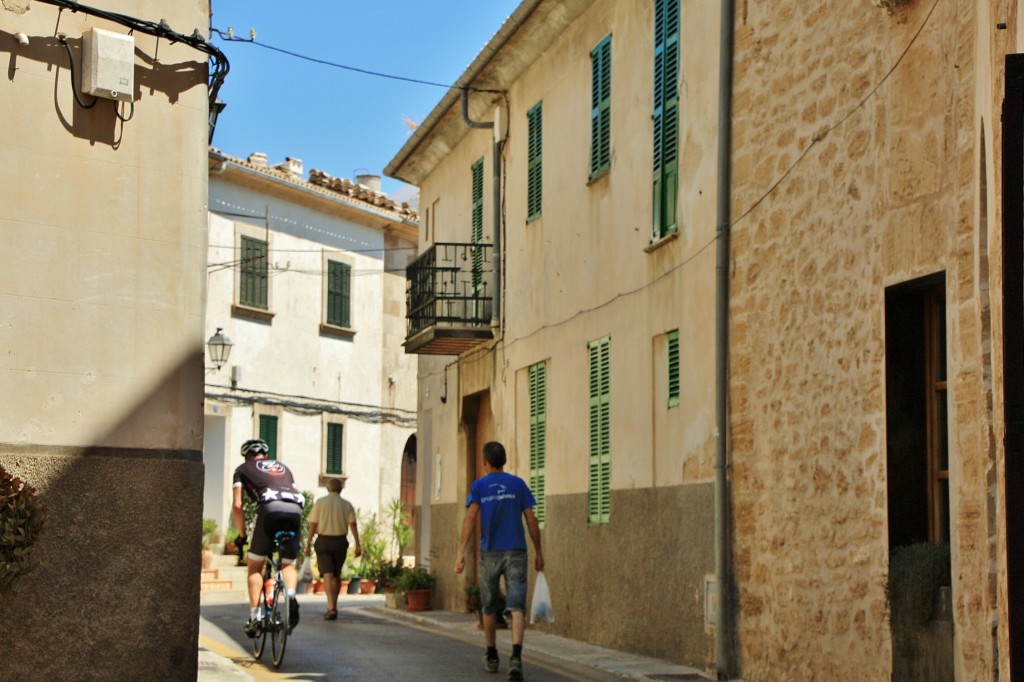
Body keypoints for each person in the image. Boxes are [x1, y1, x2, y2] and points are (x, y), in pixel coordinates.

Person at [456, 441, 544, 681]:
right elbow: (531, 520)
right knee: (516, 606)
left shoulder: (479, 486)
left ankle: (492, 654)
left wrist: (461, 552)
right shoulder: (518, 484)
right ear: (503, 460)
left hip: (489, 553)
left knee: (489, 606)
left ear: (485, 461)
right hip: (516, 551)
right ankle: (516, 657)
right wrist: (539, 551)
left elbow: (470, 518)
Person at [232, 438, 304, 637]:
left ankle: (255, 618)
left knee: (255, 566)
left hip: (269, 508)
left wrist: (242, 535)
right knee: (288, 565)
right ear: (266, 456)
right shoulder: (284, 468)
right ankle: (290, 595)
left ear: (247, 456)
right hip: (295, 509)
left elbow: (238, 506)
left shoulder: (242, 469)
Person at [305, 476, 361, 620]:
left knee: (327, 575)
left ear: (328, 488)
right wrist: (358, 544)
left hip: (323, 541)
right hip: (340, 542)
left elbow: (313, 524)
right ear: (341, 489)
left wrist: (308, 543)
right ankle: (334, 606)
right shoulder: (347, 505)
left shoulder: (320, 503)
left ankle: (331, 607)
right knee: (336, 574)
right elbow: (353, 524)